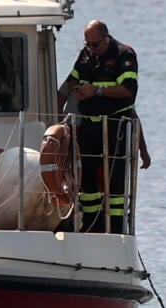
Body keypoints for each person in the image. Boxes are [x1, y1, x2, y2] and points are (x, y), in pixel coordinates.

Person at [56, 20, 141, 232]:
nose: (91, 48)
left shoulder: (124, 55)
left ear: (106, 38)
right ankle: (92, 223)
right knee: (86, 175)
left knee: (115, 179)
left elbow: (128, 90)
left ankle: (116, 226)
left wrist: (97, 91)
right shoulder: (86, 54)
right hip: (90, 124)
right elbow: (72, 80)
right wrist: (73, 93)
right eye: (87, 44)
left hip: (115, 124)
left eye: (95, 44)